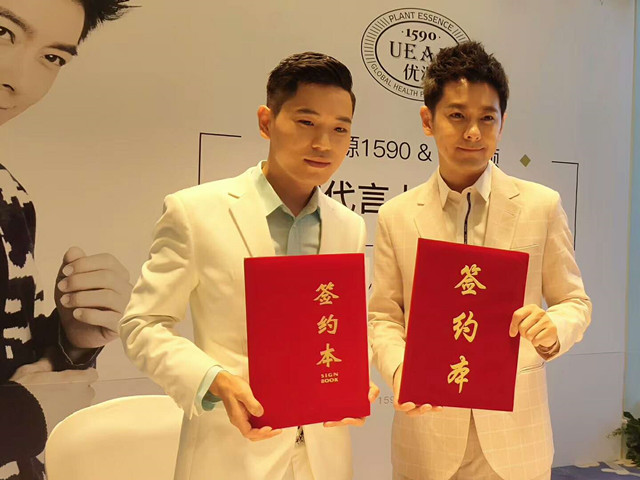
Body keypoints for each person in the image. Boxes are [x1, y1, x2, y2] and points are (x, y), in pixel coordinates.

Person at [120, 51, 378, 480]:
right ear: (266, 121)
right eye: (306, 122)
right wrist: (214, 379)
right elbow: (142, 325)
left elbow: (342, 326)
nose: (323, 144)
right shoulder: (196, 212)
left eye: (340, 129)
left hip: (324, 458)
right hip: (232, 454)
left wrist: (353, 379)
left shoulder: (347, 225)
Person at [369, 41, 591, 480]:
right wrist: (399, 369)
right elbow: (384, 316)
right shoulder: (397, 216)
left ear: (502, 124)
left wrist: (554, 328)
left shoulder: (540, 206)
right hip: (426, 437)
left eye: (487, 118)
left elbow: (574, 302)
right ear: (427, 120)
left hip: (516, 440)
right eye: (457, 115)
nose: (473, 132)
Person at [0, 0, 133, 478]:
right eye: (2, 32)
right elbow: (22, 406)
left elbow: (14, 361)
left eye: (52, 57)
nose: (19, 79)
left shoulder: (10, 195)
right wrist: (22, 417)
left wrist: (71, 338)